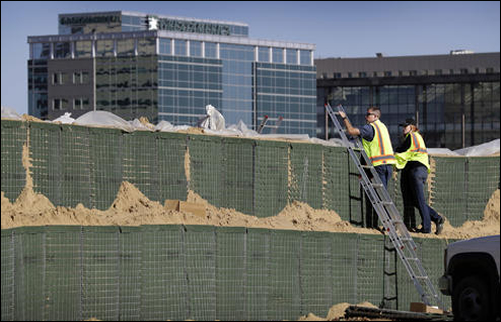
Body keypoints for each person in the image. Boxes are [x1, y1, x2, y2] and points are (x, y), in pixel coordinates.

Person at [338, 107, 396, 229]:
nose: (366, 116)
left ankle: (388, 223)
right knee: (383, 195)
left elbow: (352, 131)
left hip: (378, 165)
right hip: (388, 165)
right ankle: (382, 223)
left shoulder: (370, 127)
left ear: (375, 116)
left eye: (368, 114)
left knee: (380, 196)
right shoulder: (383, 127)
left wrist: (344, 117)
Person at [394, 118, 445, 234]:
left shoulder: (412, 137)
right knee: (416, 201)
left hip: (416, 170)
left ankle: (427, 228)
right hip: (420, 171)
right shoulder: (416, 137)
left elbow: (404, 151)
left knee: (419, 201)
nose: (403, 129)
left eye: (405, 126)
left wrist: (393, 157)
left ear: (412, 127)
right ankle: (437, 218)